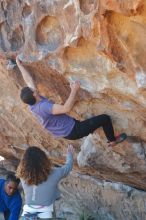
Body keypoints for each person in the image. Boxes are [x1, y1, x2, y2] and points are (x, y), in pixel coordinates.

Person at [16, 56, 127, 147]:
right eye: (32, 90)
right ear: (34, 94)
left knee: (91, 123)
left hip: (68, 129)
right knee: (105, 118)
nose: (32, 87)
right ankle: (112, 141)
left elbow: (29, 80)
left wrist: (19, 65)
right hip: (74, 131)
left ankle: (97, 131)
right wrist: (74, 90)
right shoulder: (44, 106)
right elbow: (66, 109)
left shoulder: (33, 104)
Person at [16, 145, 74, 219]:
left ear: (24, 162)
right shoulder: (54, 173)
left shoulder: (23, 176)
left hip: (27, 215)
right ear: (43, 159)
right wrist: (70, 155)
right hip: (46, 214)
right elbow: (67, 168)